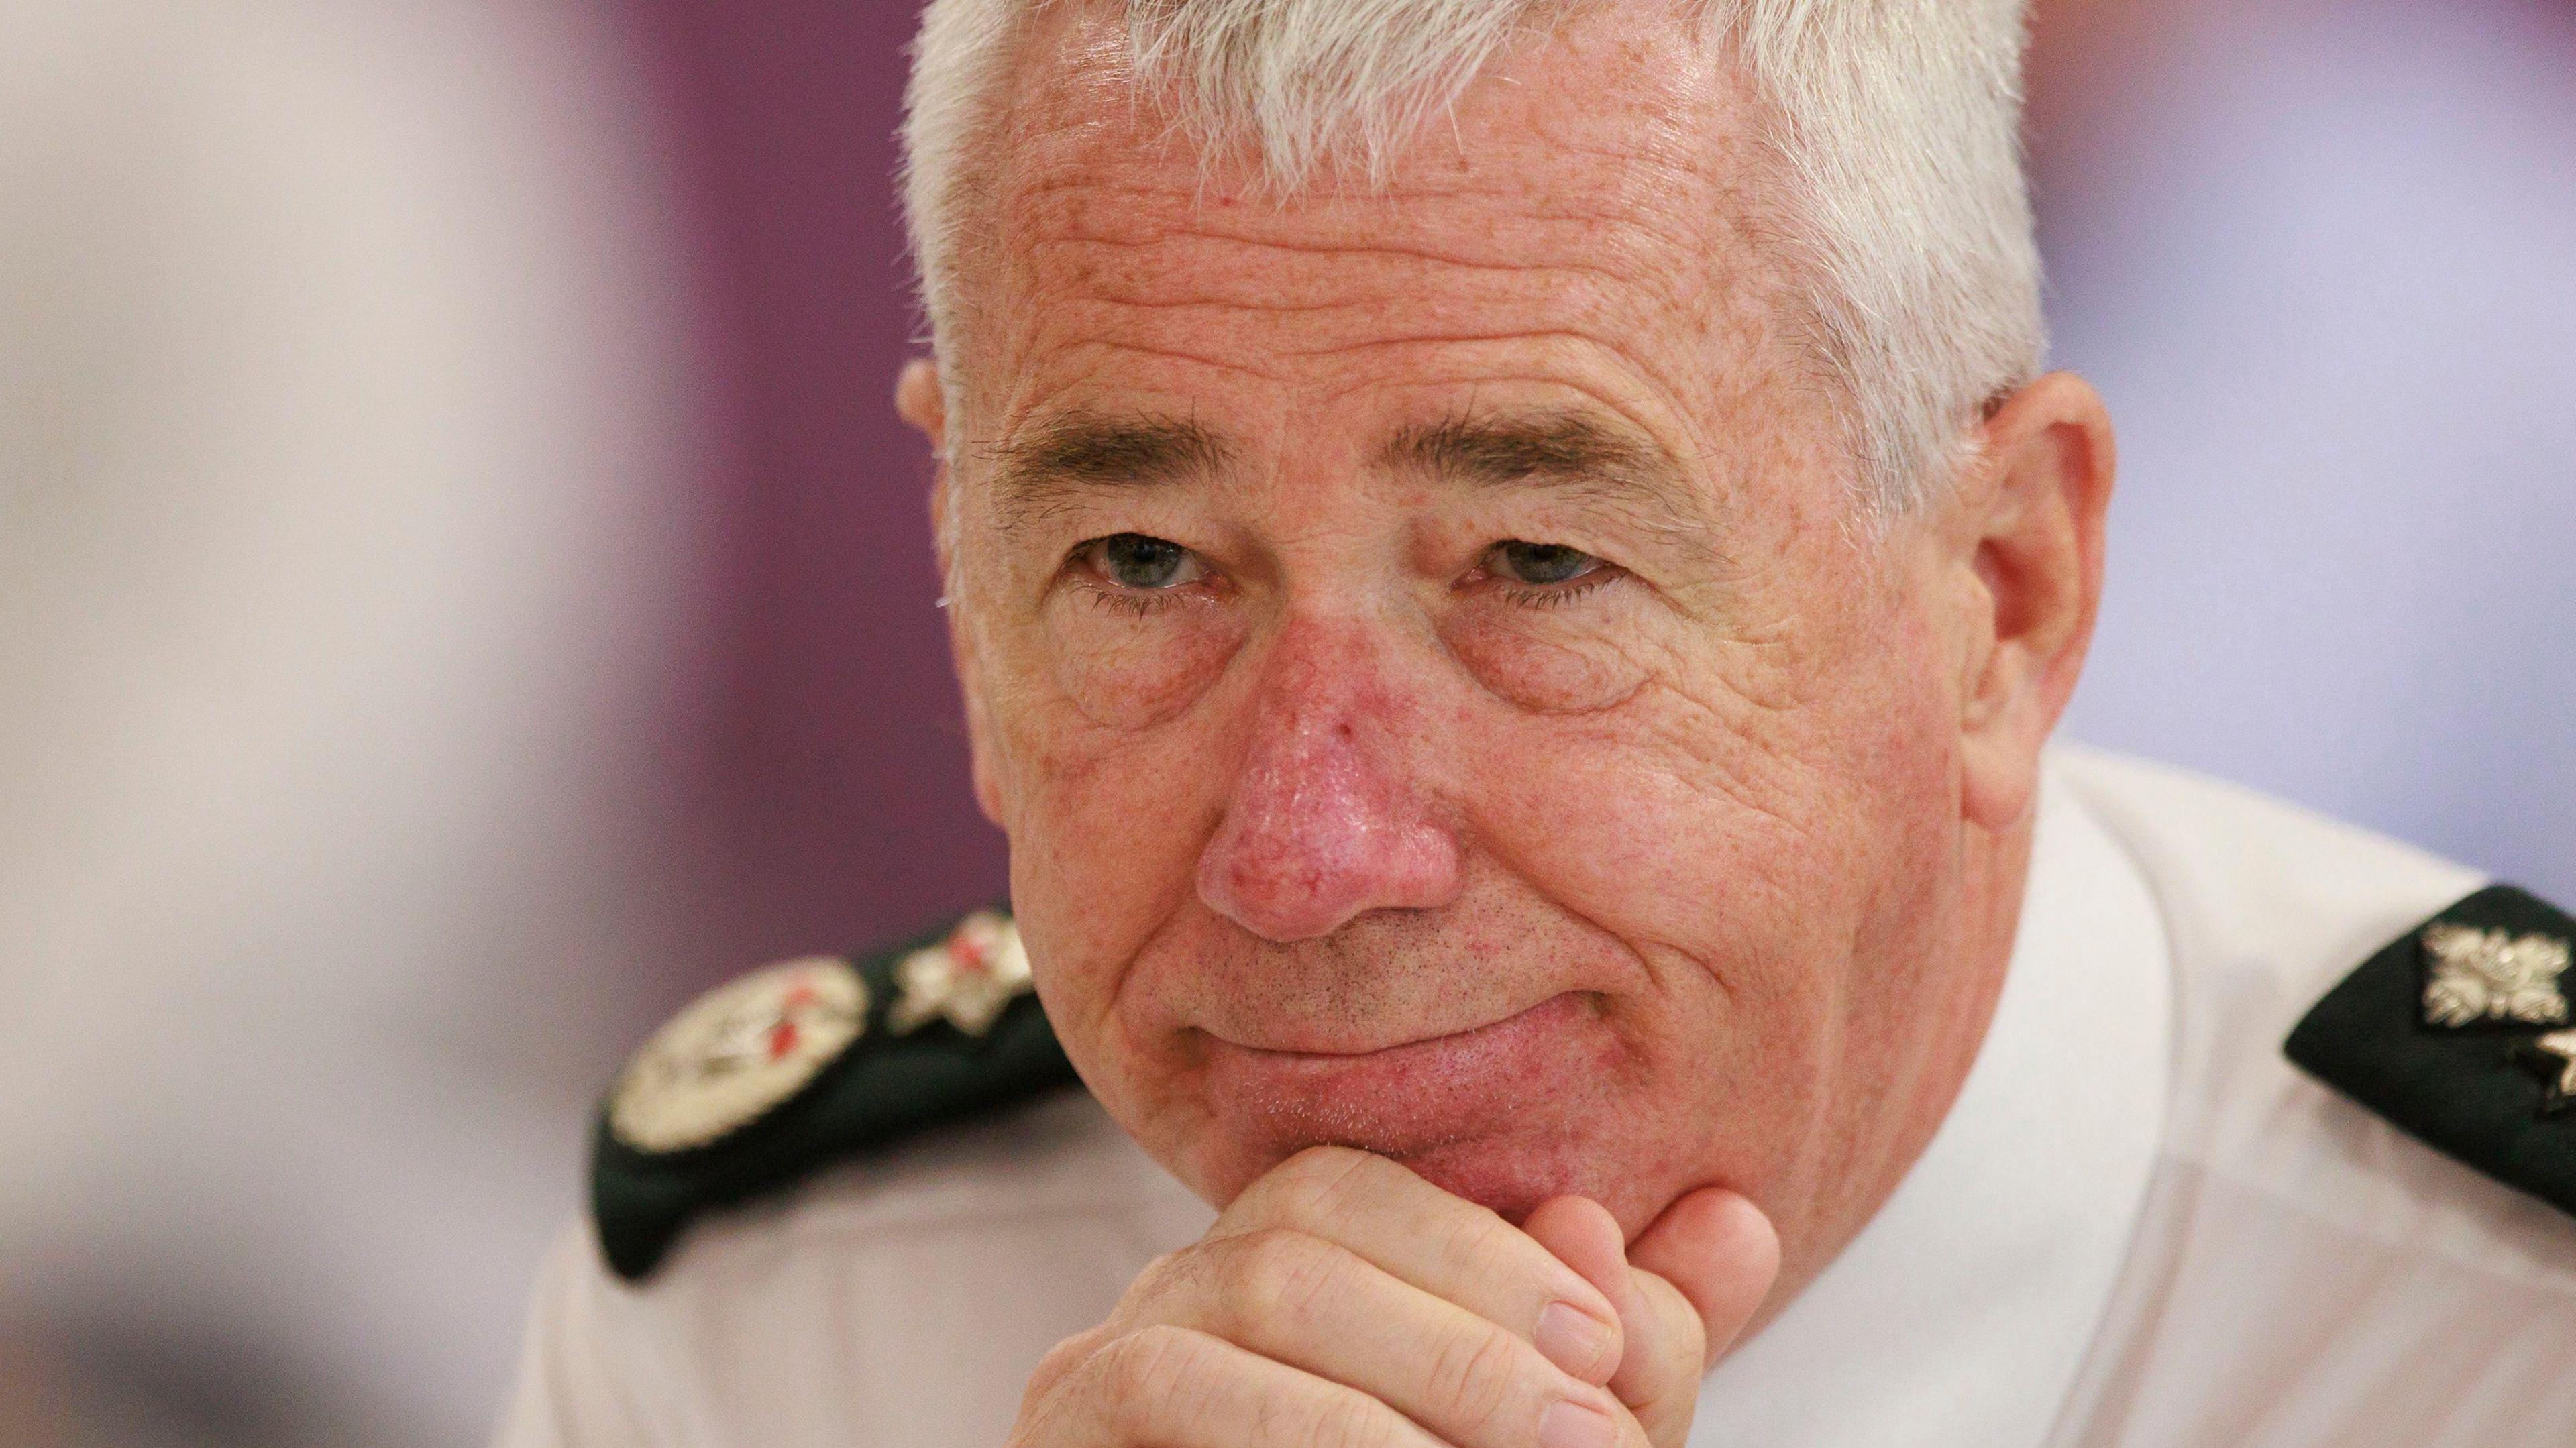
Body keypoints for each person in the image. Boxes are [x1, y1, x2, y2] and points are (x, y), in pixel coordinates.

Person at [494, 1, 2576, 1443]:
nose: (1306, 861)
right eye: (1139, 566)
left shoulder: (2508, 1336)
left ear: (2001, 598)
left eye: (1539, 567)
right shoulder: (780, 1303)